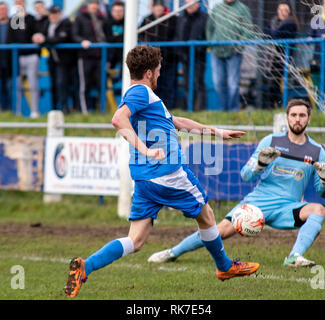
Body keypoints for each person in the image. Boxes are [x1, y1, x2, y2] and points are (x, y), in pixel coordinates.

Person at [64, 45, 260, 298]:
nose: (160, 74)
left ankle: (84, 267)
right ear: (148, 72)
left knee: (135, 240)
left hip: (145, 179)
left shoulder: (144, 97)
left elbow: (177, 122)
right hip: (167, 172)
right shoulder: (141, 93)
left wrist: (217, 132)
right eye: (158, 70)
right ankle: (224, 267)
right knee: (207, 214)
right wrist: (145, 149)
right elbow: (117, 120)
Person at [148, 98, 325, 267]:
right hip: (257, 203)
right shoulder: (270, 141)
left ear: (308, 119)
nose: (297, 119)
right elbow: (246, 175)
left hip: (289, 207)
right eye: (293, 115)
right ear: (287, 117)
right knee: (218, 231)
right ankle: (173, 252)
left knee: (319, 210)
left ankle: (294, 256)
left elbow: (322, 192)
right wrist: (260, 164)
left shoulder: (317, 151)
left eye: (302, 115)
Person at [206, 0, 254, 111]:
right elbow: (209, 27)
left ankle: (233, 109)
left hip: (234, 53)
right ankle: (224, 109)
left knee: (233, 83)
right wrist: (211, 44)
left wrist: (239, 46)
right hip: (217, 51)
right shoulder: (217, 8)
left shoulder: (243, 9)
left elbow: (248, 29)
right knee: (218, 82)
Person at [139, 0, 178, 110]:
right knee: (154, 84)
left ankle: (169, 108)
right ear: (153, 8)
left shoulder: (171, 19)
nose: (158, 9)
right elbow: (139, 35)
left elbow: (176, 36)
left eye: (160, 7)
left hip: (168, 59)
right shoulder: (147, 19)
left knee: (168, 84)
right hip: (152, 61)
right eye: (156, 7)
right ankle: (155, 108)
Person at [36, 4, 75, 114]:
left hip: (65, 60)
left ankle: (64, 109)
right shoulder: (47, 23)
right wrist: (37, 37)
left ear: (59, 14)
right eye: (51, 13)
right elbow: (42, 35)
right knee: (53, 84)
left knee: (62, 83)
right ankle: (54, 110)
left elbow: (61, 38)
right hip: (53, 59)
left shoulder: (66, 23)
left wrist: (44, 39)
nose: (53, 16)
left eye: (55, 13)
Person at [8, 0, 41, 118]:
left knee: (33, 84)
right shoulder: (13, 19)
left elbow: (38, 35)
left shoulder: (32, 19)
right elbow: (10, 38)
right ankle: (17, 112)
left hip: (31, 55)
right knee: (17, 86)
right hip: (18, 57)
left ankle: (35, 111)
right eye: (17, 2)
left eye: (21, 2)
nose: (19, 5)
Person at [72, 0, 106, 114]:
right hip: (85, 56)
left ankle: (102, 110)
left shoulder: (102, 17)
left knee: (101, 84)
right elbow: (74, 35)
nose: (94, 6)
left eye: (96, 4)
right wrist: (82, 41)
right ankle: (84, 111)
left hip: (100, 55)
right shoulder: (80, 18)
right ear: (88, 5)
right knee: (84, 85)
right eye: (92, 4)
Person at [175, 0, 208, 111]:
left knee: (198, 83)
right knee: (187, 84)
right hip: (185, 57)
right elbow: (177, 36)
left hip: (198, 57)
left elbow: (206, 36)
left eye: (192, 3)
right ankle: (190, 109)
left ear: (198, 4)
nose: (189, 5)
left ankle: (201, 109)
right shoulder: (181, 18)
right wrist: (181, 53)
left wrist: (199, 49)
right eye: (187, 2)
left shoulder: (204, 17)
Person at [265, 1, 299, 109]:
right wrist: (271, 33)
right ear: (277, 11)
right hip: (273, 58)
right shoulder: (274, 21)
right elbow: (265, 32)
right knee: (272, 84)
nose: (283, 13)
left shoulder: (291, 23)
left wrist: (272, 33)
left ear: (289, 12)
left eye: (286, 10)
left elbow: (274, 35)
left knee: (276, 84)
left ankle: (280, 106)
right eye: (281, 10)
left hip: (285, 58)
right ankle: (274, 106)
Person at [103, 0, 124, 70]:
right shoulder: (107, 23)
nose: (118, 13)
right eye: (116, 11)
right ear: (112, 12)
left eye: (120, 11)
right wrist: (121, 37)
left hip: (124, 55)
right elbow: (108, 39)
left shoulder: (128, 22)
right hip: (110, 56)